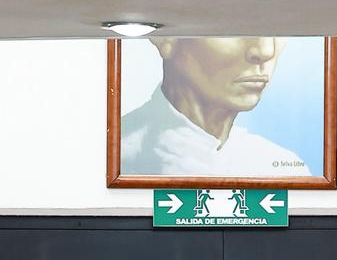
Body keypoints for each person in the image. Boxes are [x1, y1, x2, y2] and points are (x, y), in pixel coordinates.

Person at [121, 37, 309, 176]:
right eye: (231, 24)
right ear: (165, 38)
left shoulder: (283, 168)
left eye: (280, 24)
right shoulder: (115, 154)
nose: (266, 50)